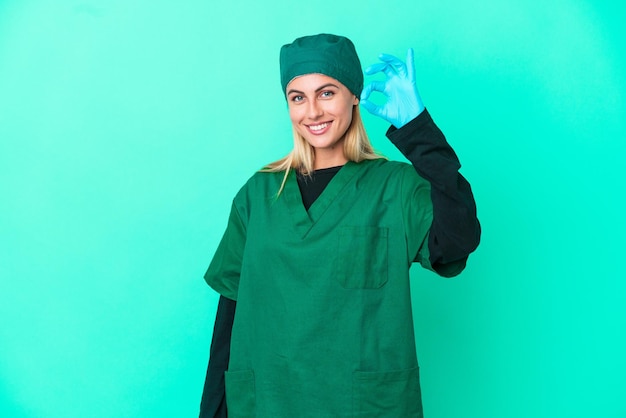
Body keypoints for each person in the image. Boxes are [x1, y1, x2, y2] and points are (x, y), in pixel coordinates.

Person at [199, 33, 480, 418]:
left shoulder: (395, 188)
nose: (312, 111)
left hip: (360, 406)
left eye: (326, 92)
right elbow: (228, 317)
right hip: (267, 402)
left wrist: (419, 133)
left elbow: (457, 239)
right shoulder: (257, 195)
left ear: (354, 95)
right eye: (298, 97)